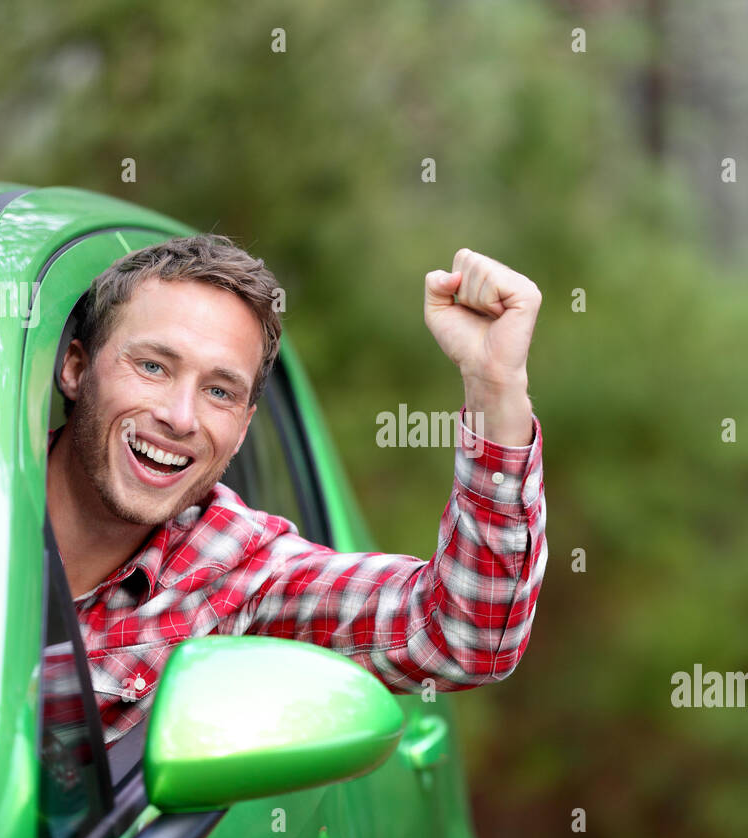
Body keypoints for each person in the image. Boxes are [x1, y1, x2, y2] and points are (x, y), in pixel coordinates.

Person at [45, 234, 547, 746]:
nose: (179, 417)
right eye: (153, 367)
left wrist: (495, 386)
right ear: (76, 369)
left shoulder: (238, 573)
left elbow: (462, 634)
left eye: (219, 391)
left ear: (242, 429)